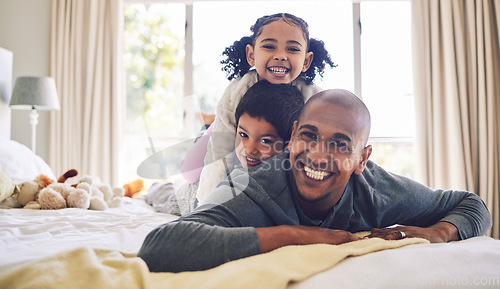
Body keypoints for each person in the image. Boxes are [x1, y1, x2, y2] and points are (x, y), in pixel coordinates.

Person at [138, 89, 492, 273]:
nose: (319, 156)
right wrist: (294, 235)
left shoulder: (377, 189)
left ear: (361, 159)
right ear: (292, 137)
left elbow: (472, 204)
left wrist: (436, 232)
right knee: (171, 196)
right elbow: (160, 244)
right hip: (195, 194)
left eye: (339, 145)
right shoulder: (256, 188)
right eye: (309, 136)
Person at [195, 12, 335, 203]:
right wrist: (209, 206)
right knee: (190, 181)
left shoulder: (314, 98)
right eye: (269, 46)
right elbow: (219, 157)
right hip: (233, 154)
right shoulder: (236, 93)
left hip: (276, 169)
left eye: (293, 49)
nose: (280, 56)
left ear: (306, 61)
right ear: (251, 55)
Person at [176, 80, 305, 214]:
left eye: (265, 141)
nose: (250, 149)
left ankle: (210, 124)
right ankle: (211, 126)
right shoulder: (233, 179)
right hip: (191, 194)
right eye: (243, 134)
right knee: (165, 194)